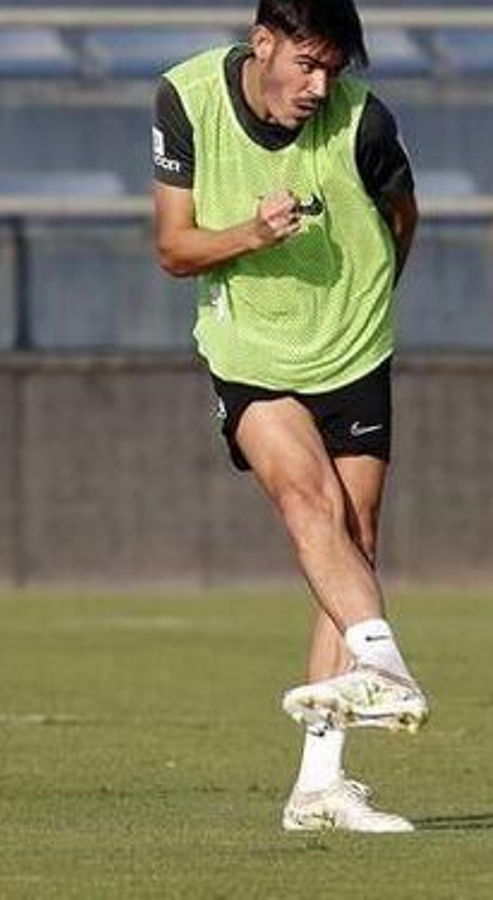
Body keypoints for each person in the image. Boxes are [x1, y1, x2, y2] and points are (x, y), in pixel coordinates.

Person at [152, 0, 427, 833]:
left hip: (353, 348)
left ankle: (318, 786)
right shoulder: (187, 97)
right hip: (250, 352)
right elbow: (172, 249)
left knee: (357, 540)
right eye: (305, 64)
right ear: (262, 42)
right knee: (310, 504)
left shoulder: (366, 124)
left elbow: (403, 216)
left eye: (332, 71)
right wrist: (251, 235)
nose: (318, 85)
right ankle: (386, 665)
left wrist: (365, 299)